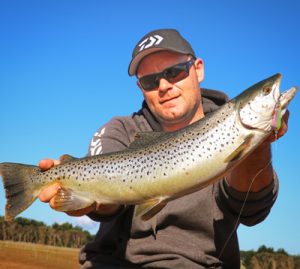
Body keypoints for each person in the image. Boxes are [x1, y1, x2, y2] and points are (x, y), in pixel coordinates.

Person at [38, 29, 289, 269]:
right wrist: (85, 201)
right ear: (140, 88)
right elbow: (109, 202)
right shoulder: (119, 130)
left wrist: (257, 146)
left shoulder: (226, 127)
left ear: (198, 69)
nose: (164, 86)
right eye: (149, 80)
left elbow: (251, 211)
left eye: (175, 71)